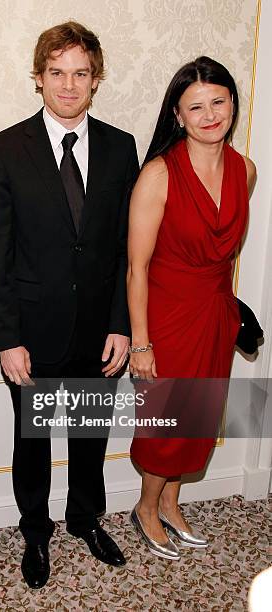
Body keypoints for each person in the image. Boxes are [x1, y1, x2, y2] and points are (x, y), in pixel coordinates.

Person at [0, 21, 139, 588]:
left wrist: (123, 324)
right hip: (32, 334)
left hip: (100, 331)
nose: (68, 85)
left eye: (80, 73)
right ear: (39, 78)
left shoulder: (122, 148)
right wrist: (6, 338)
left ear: (95, 80)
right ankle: (35, 530)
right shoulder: (4, 148)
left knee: (90, 439)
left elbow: (127, 247)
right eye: (57, 73)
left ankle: (85, 518)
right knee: (33, 444)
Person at [127, 56, 256, 560]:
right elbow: (137, 267)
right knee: (168, 422)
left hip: (215, 313)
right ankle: (145, 506)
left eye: (218, 102)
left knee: (199, 418)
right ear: (177, 116)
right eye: (195, 106)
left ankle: (173, 503)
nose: (209, 114)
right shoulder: (159, 174)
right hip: (167, 316)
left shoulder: (246, 170)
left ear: (232, 105)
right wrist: (141, 341)